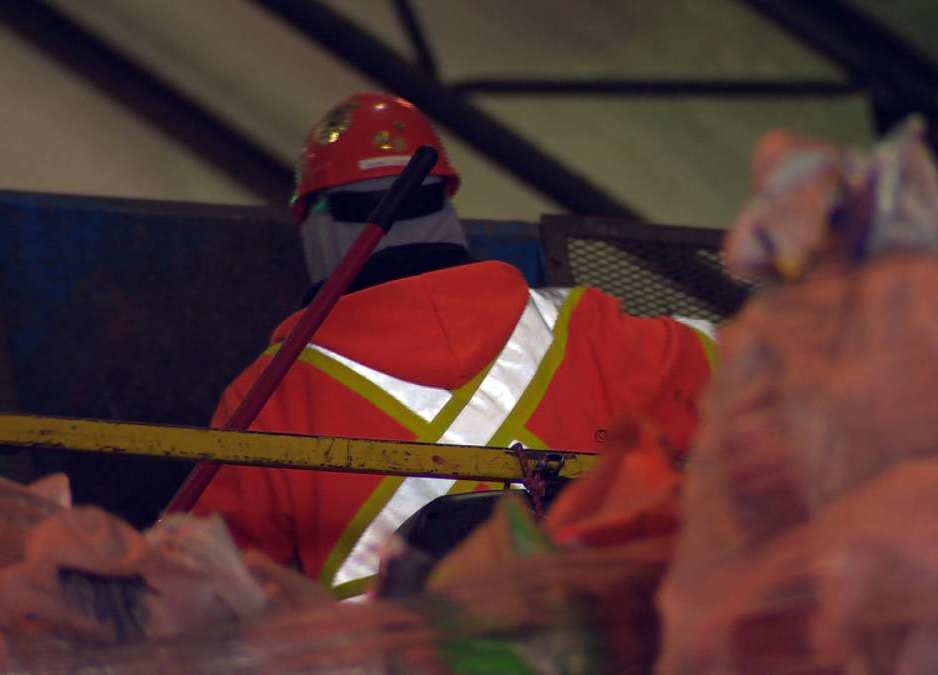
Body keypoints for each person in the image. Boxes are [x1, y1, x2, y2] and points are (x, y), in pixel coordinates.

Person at [193, 92, 717, 600]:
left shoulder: (267, 399)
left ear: (312, 223)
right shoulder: (588, 328)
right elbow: (754, 371)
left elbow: (203, 596)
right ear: (443, 201)